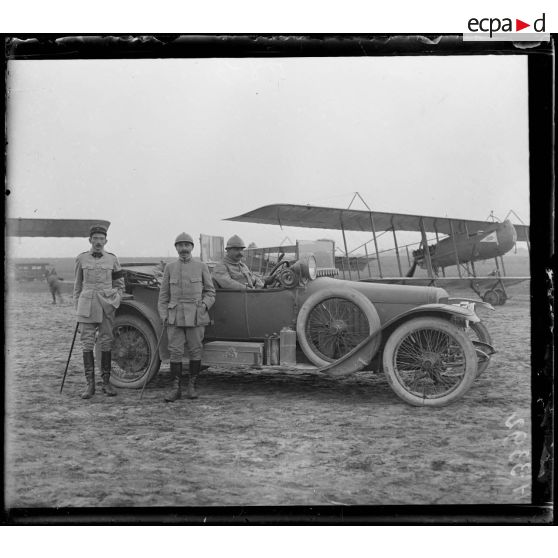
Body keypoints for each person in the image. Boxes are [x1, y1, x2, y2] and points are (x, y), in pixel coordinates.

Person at [158, 233, 216, 402]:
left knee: (195, 350)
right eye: (180, 245)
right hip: (174, 317)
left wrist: (204, 306)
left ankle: (192, 386)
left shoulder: (201, 266)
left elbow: (211, 292)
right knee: (175, 352)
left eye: (187, 245)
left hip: (196, 316)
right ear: (176, 248)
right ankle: (175, 389)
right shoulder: (169, 268)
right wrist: (164, 316)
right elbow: (163, 296)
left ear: (192, 247)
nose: (183, 248)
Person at [73, 224, 125, 399]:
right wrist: (77, 308)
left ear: (106, 241)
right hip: (86, 306)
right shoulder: (81, 259)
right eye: (95, 239)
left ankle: (106, 383)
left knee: (106, 342)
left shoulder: (112, 259)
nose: (98, 242)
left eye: (101, 239)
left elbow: (120, 286)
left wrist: (115, 301)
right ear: (90, 240)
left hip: (106, 306)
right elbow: (77, 285)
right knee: (87, 343)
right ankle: (90, 385)